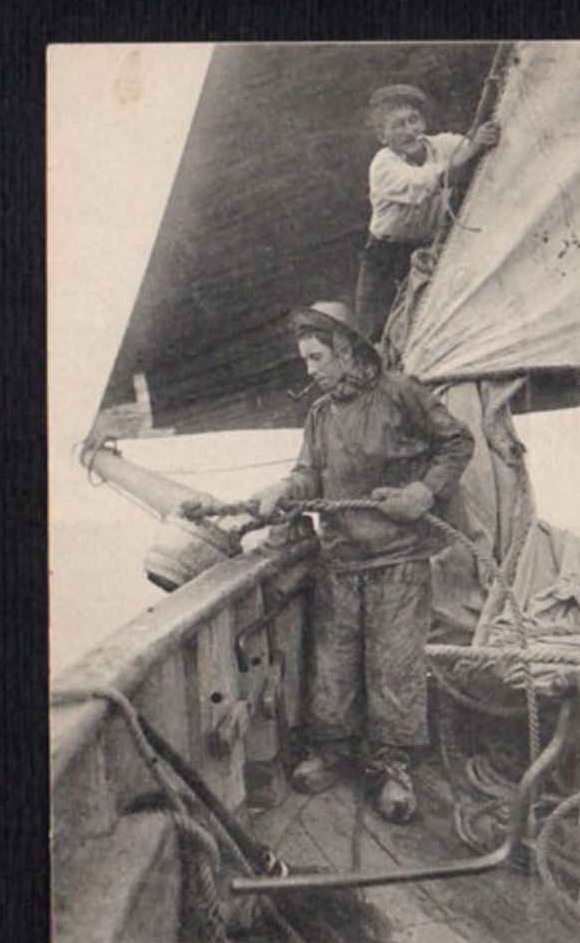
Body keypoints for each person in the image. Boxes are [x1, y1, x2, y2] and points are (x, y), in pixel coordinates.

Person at [181, 302, 474, 823]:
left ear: (347, 349)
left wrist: (424, 493)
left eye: (317, 358)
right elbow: (307, 477)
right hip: (340, 558)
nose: (310, 371)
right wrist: (281, 489)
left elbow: (457, 443)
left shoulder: (401, 393)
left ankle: (391, 766)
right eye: (306, 360)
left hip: (399, 559)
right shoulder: (319, 416)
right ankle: (333, 753)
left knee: (393, 668)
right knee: (334, 664)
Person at [355, 83, 501, 342]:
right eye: (398, 125)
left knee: (434, 332)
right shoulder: (383, 165)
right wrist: (474, 148)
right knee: (375, 337)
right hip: (387, 259)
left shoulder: (443, 145)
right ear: (382, 136)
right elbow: (432, 180)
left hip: (432, 250)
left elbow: (475, 149)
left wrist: (483, 139)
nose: (410, 131)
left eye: (414, 120)